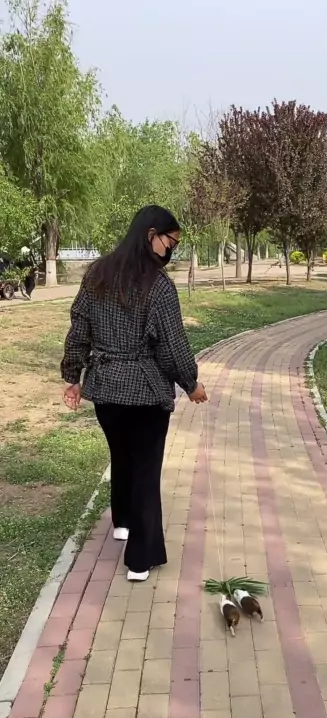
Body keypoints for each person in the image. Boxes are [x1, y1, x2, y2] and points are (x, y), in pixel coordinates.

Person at [61, 205, 207, 582]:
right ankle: (140, 559)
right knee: (145, 469)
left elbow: (79, 330)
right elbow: (171, 345)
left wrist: (73, 376)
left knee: (122, 455)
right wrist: (191, 383)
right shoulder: (158, 286)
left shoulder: (97, 274)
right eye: (170, 243)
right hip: (145, 392)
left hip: (106, 389)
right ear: (151, 235)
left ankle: (122, 522)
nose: (171, 250)